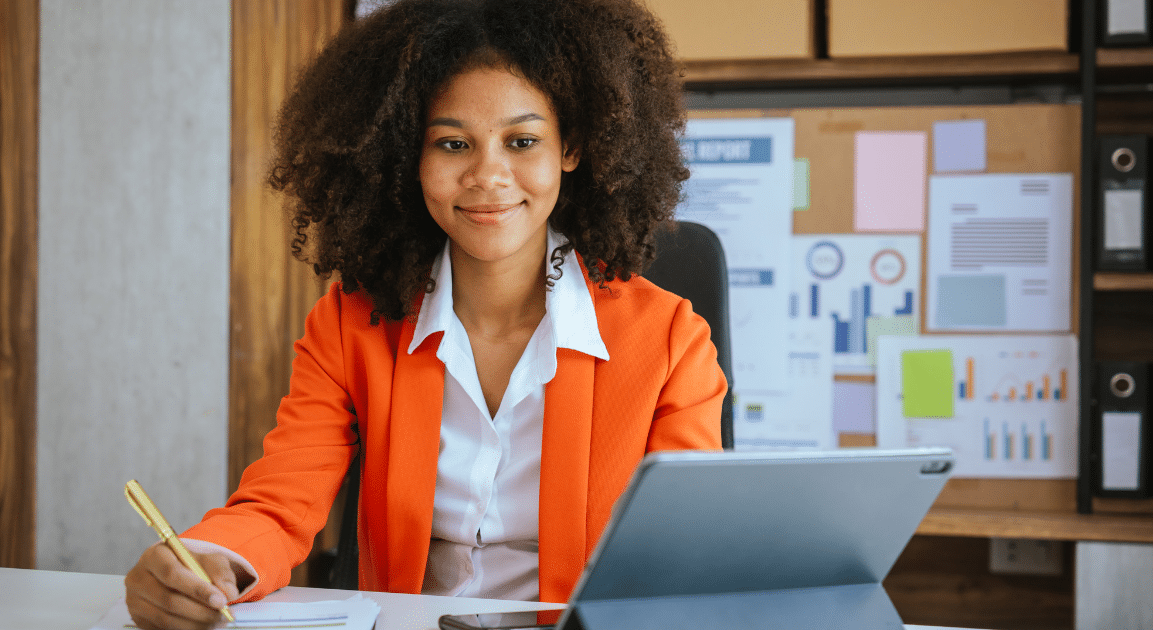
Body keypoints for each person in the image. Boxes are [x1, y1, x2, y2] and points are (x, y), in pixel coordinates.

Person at [123, 0, 725, 627]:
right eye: (452, 143)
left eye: (522, 141)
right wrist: (207, 562)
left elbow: (684, 556)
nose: (488, 175)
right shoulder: (352, 323)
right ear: (406, 156)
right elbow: (278, 505)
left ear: (571, 148)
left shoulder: (670, 340)